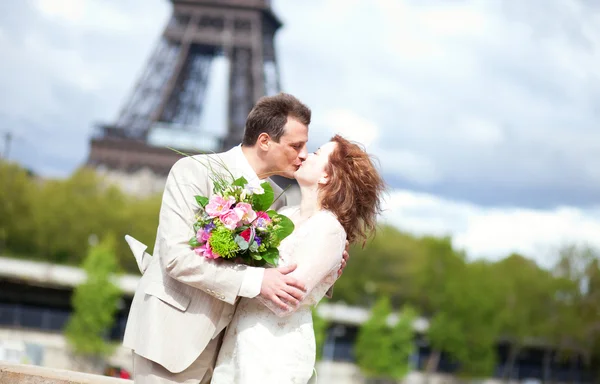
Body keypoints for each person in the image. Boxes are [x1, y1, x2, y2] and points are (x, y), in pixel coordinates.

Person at [123, 93, 349, 383]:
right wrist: (258, 282)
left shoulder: (277, 203)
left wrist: (326, 266)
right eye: (296, 146)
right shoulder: (193, 171)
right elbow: (177, 258)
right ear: (265, 141)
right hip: (171, 337)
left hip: (234, 353)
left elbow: (280, 264)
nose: (304, 154)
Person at [210, 134, 385, 383]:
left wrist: (235, 272)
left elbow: (287, 299)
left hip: (274, 348)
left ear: (327, 175)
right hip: (240, 337)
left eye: (316, 153)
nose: (304, 155)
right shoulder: (284, 214)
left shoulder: (329, 229)